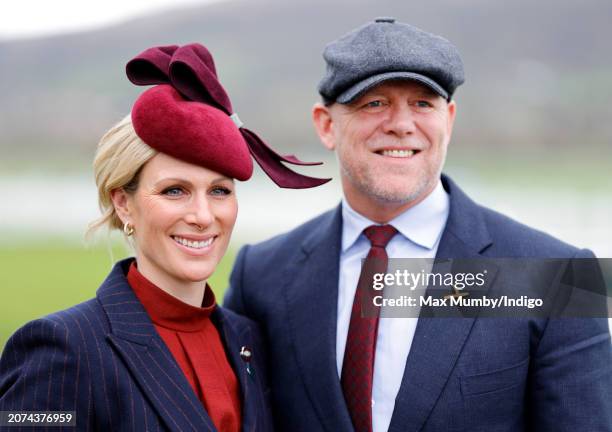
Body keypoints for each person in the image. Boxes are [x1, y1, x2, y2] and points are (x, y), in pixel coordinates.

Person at [224, 18, 612, 432]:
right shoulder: (262, 275)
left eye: (422, 103)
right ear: (325, 124)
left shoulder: (557, 276)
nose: (401, 123)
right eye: (374, 103)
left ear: (449, 119)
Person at [0, 43, 328, 431]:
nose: (203, 216)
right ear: (123, 203)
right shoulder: (61, 347)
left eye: (220, 191)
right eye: (175, 190)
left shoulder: (248, 341)